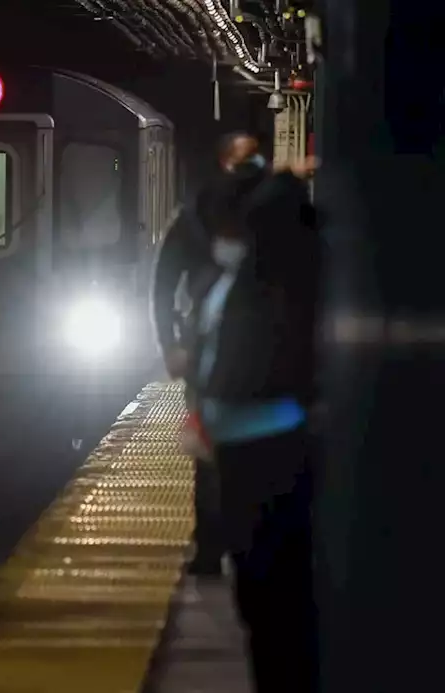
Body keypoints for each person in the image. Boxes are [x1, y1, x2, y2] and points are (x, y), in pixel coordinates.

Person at [191, 155, 321, 693]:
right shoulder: (244, 276)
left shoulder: (272, 282)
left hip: (266, 454)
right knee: (260, 598)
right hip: (241, 453)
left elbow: (248, 368)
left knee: (272, 599)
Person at [150, 131, 266, 576]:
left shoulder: (194, 215)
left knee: (210, 448)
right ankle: (240, 543)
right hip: (253, 346)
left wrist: (171, 344)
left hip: (210, 346)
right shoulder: (278, 212)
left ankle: (210, 548)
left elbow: (163, 287)